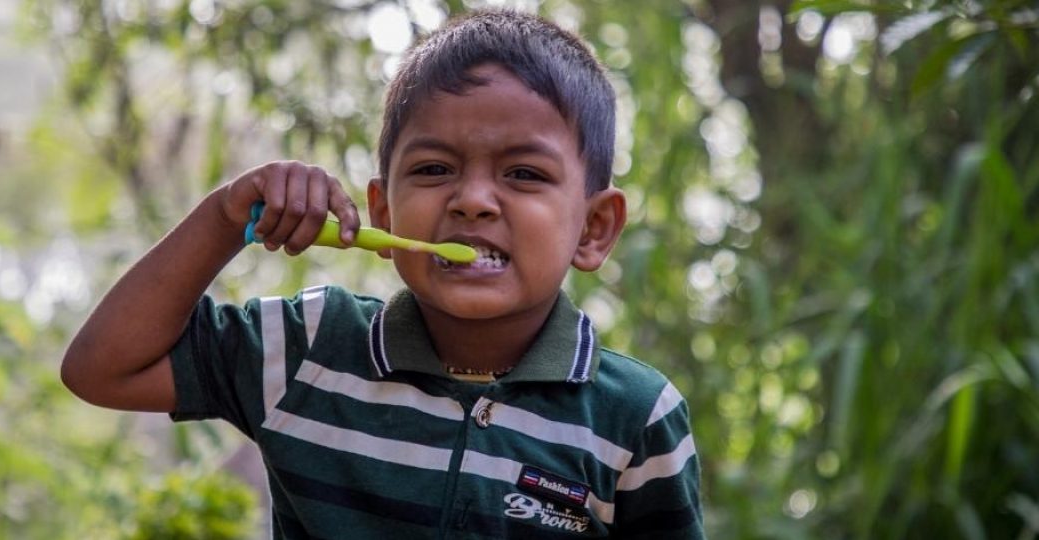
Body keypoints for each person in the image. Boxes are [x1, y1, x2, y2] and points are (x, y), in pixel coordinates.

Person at [62, 9, 703, 539]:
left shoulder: (635, 415)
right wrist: (226, 217)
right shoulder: (307, 349)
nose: (472, 200)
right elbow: (101, 369)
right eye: (433, 169)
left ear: (593, 229)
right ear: (383, 211)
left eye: (524, 174)